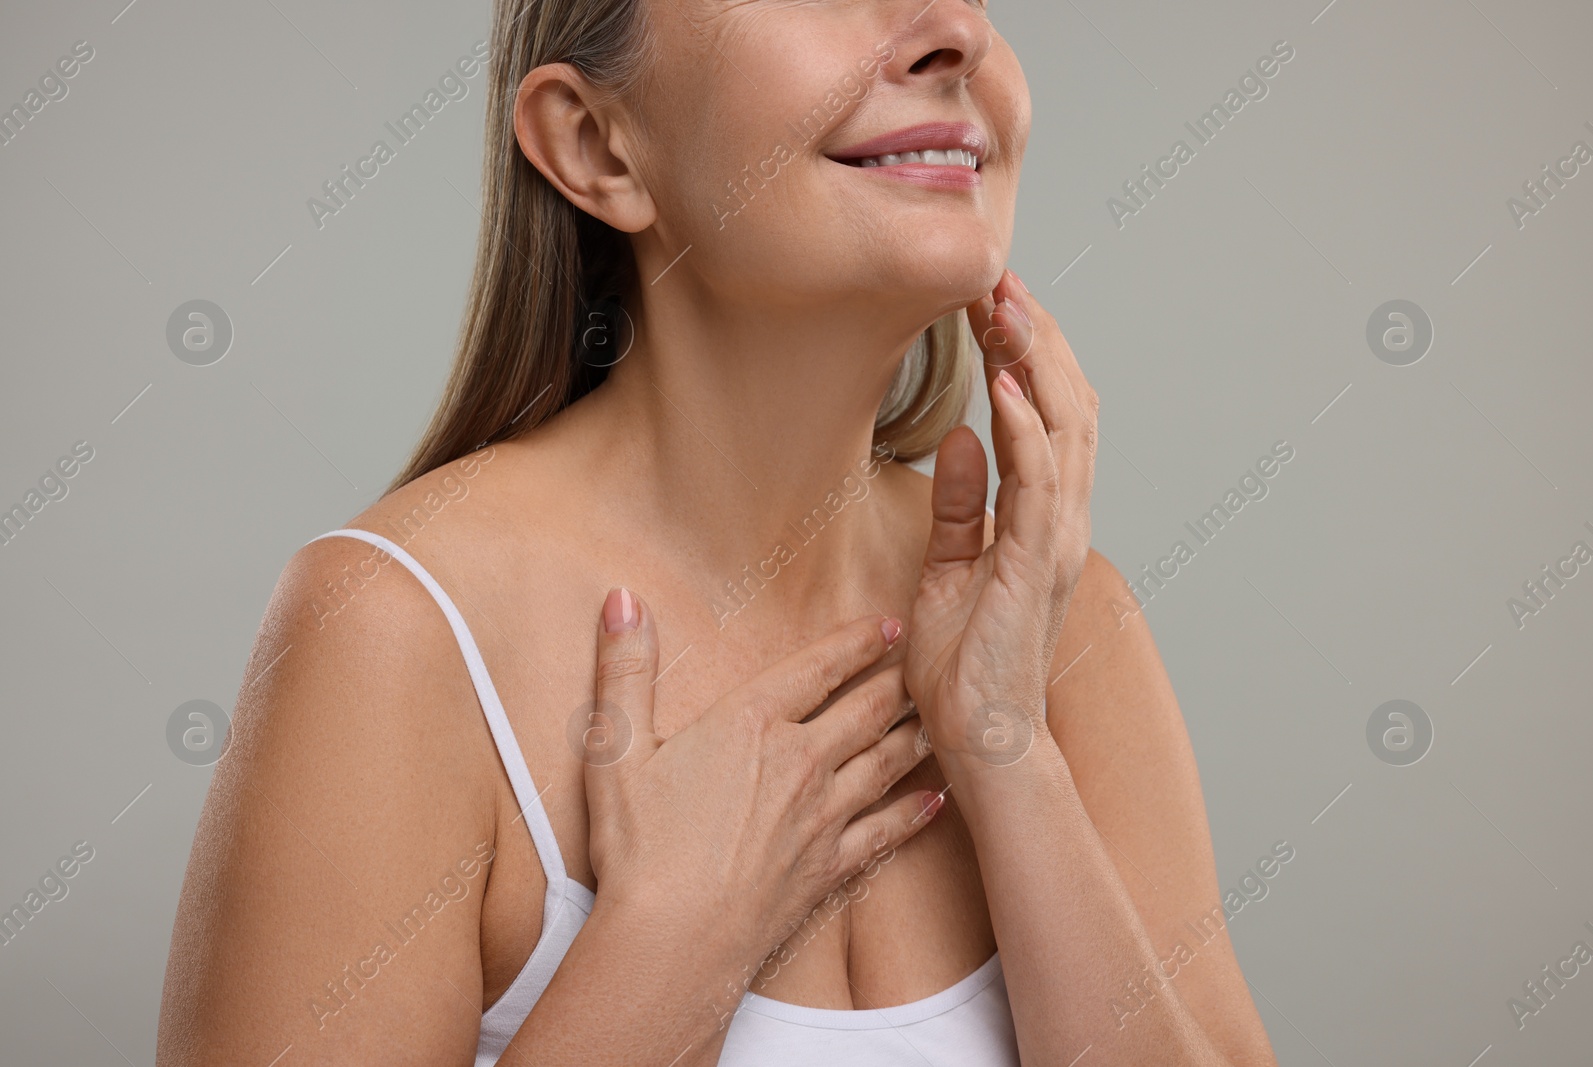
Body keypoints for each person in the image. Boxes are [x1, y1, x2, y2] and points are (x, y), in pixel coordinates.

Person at [156, 1, 1277, 1063]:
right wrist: (669, 945)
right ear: (597, 146)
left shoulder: (1066, 628)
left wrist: (1010, 759)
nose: (957, 32)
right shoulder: (390, 636)